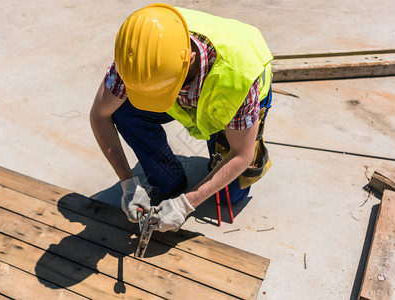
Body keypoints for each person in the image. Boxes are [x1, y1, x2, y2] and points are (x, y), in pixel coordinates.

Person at [90, 3, 273, 232]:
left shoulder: (238, 79)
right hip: (192, 88)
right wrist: (128, 182)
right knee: (125, 112)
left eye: (160, 90)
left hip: (232, 98)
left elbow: (242, 154)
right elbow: (99, 114)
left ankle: (219, 144)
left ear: (190, 59)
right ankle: (170, 180)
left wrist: (186, 204)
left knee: (232, 195)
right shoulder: (140, 53)